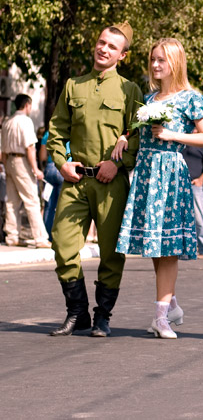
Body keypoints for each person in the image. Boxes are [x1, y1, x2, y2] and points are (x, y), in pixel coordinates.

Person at [47, 22, 143, 337]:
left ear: (122, 55)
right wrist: (61, 163)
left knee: (112, 252)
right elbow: (57, 130)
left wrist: (120, 165)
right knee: (62, 243)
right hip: (76, 180)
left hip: (111, 183)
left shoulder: (130, 91)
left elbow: (137, 136)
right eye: (101, 42)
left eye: (112, 47)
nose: (103, 49)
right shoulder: (74, 85)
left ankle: (102, 316)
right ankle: (77, 313)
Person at [114, 37, 203, 339]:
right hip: (146, 173)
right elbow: (135, 129)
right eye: (153, 59)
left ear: (175, 63)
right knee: (155, 244)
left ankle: (161, 317)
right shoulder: (148, 99)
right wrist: (123, 137)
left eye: (162, 60)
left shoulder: (190, 98)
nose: (156, 65)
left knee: (167, 247)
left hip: (170, 173)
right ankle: (170, 307)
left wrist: (173, 135)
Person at [1, 94, 50, 248]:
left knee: (12, 201)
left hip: (8, 160)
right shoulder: (26, 121)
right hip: (21, 160)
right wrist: (35, 169)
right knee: (31, 199)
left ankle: (12, 236)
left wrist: (4, 163)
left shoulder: (7, 122)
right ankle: (40, 238)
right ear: (27, 105)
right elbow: (29, 147)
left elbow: (2, 148)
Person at [181, 140, 203, 256]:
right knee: (179, 219)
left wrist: (201, 179)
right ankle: (184, 249)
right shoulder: (181, 136)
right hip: (178, 184)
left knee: (198, 218)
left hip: (195, 185)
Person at [39, 129, 67, 243]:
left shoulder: (48, 133)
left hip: (50, 168)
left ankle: (47, 236)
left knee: (49, 205)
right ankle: (60, 236)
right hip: (65, 168)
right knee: (63, 205)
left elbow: (42, 156)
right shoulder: (71, 129)